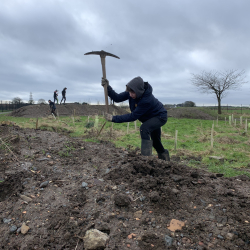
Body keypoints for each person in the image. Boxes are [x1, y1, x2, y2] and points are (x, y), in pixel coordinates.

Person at [101, 76, 170, 161]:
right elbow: (117, 98)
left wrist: (114, 118)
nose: (130, 95)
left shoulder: (146, 100)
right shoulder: (132, 92)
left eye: (132, 93)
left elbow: (133, 116)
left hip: (159, 116)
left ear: (139, 91)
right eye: (129, 92)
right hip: (149, 118)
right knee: (155, 141)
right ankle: (165, 160)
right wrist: (107, 87)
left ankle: (146, 159)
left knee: (144, 129)